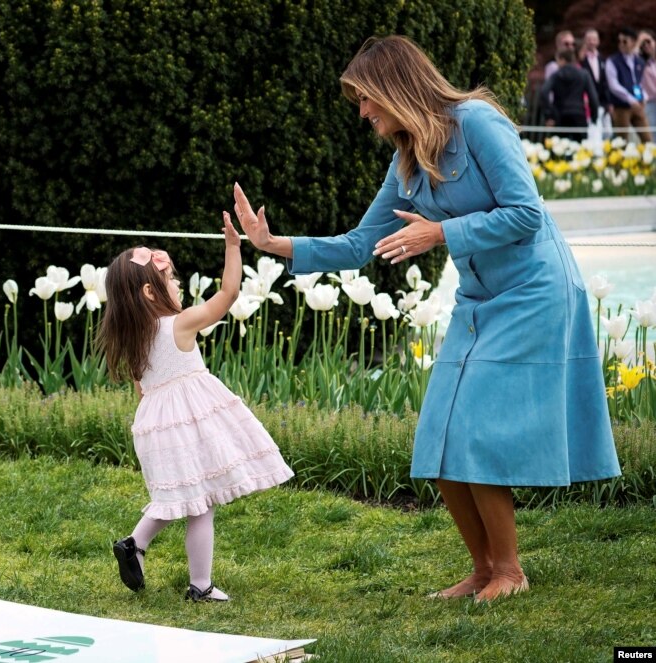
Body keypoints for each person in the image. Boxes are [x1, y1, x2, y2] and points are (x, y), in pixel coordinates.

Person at [234, 36, 621, 602]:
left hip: (534, 292)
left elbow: (526, 215)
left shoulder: (479, 124)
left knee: (476, 432)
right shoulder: (406, 158)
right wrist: (273, 243)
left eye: (366, 98)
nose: (362, 111)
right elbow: (359, 243)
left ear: (395, 87)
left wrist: (439, 232)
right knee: (439, 432)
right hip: (478, 300)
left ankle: (511, 572)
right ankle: (484, 569)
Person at [96, 215, 294, 602]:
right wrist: (233, 248)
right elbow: (229, 294)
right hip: (188, 425)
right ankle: (200, 586)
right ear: (152, 294)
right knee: (199, 504)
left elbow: (144, 392)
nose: (177, 285)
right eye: (170, 280)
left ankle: (134, 544)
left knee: (179, 497)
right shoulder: (180, 325)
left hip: (157, 428)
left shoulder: (137, 341)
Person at [539, 48, 600, 138]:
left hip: (560, 116)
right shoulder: (584, 74)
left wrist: (549, 115)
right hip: (579, 116)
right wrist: (594, 117)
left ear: (562, 60)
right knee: (581, 150)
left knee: (559, 148)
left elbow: (544, 92)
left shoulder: (556, 75)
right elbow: (593, 98)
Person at [605, 27, 652, 143]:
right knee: (621, 140)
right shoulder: (612, 61)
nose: (621, 44)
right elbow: (613, 85)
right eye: (619, 41)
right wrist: (630, 99)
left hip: (638, 104)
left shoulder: (639, 61)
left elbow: (641, 82)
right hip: (621, 106)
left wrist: (644, 96)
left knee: (647, 138)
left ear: (633, 42)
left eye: (625, 41)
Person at [580, 28, 612, 121]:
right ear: (585, 41)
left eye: (594, 39)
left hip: (602, 101)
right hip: (586, 101)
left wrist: (608, 102)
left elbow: (606, 82)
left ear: (598, 41)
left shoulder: (603, 59)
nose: (591, 42)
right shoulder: (581, 59)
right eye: (589, 39)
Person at [639, 30, 656, 131]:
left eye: (648, 42)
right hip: (650, 103)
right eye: (643, 44)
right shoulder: (642, 63)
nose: (646, 45)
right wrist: (638, 41)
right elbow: (630, 55)